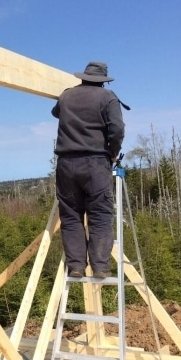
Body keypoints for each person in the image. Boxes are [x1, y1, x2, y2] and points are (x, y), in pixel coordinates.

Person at [51, 61, 125, 278]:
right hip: (95, 163)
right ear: (102, 81)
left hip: (66, 164)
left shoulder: (66, 95)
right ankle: (100, 267)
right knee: (100, 215)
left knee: (71, 215)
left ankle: (76, 266)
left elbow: (57, 112)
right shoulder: (108, 97)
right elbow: (117, 129)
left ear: (83, 77)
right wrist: (113, 151)